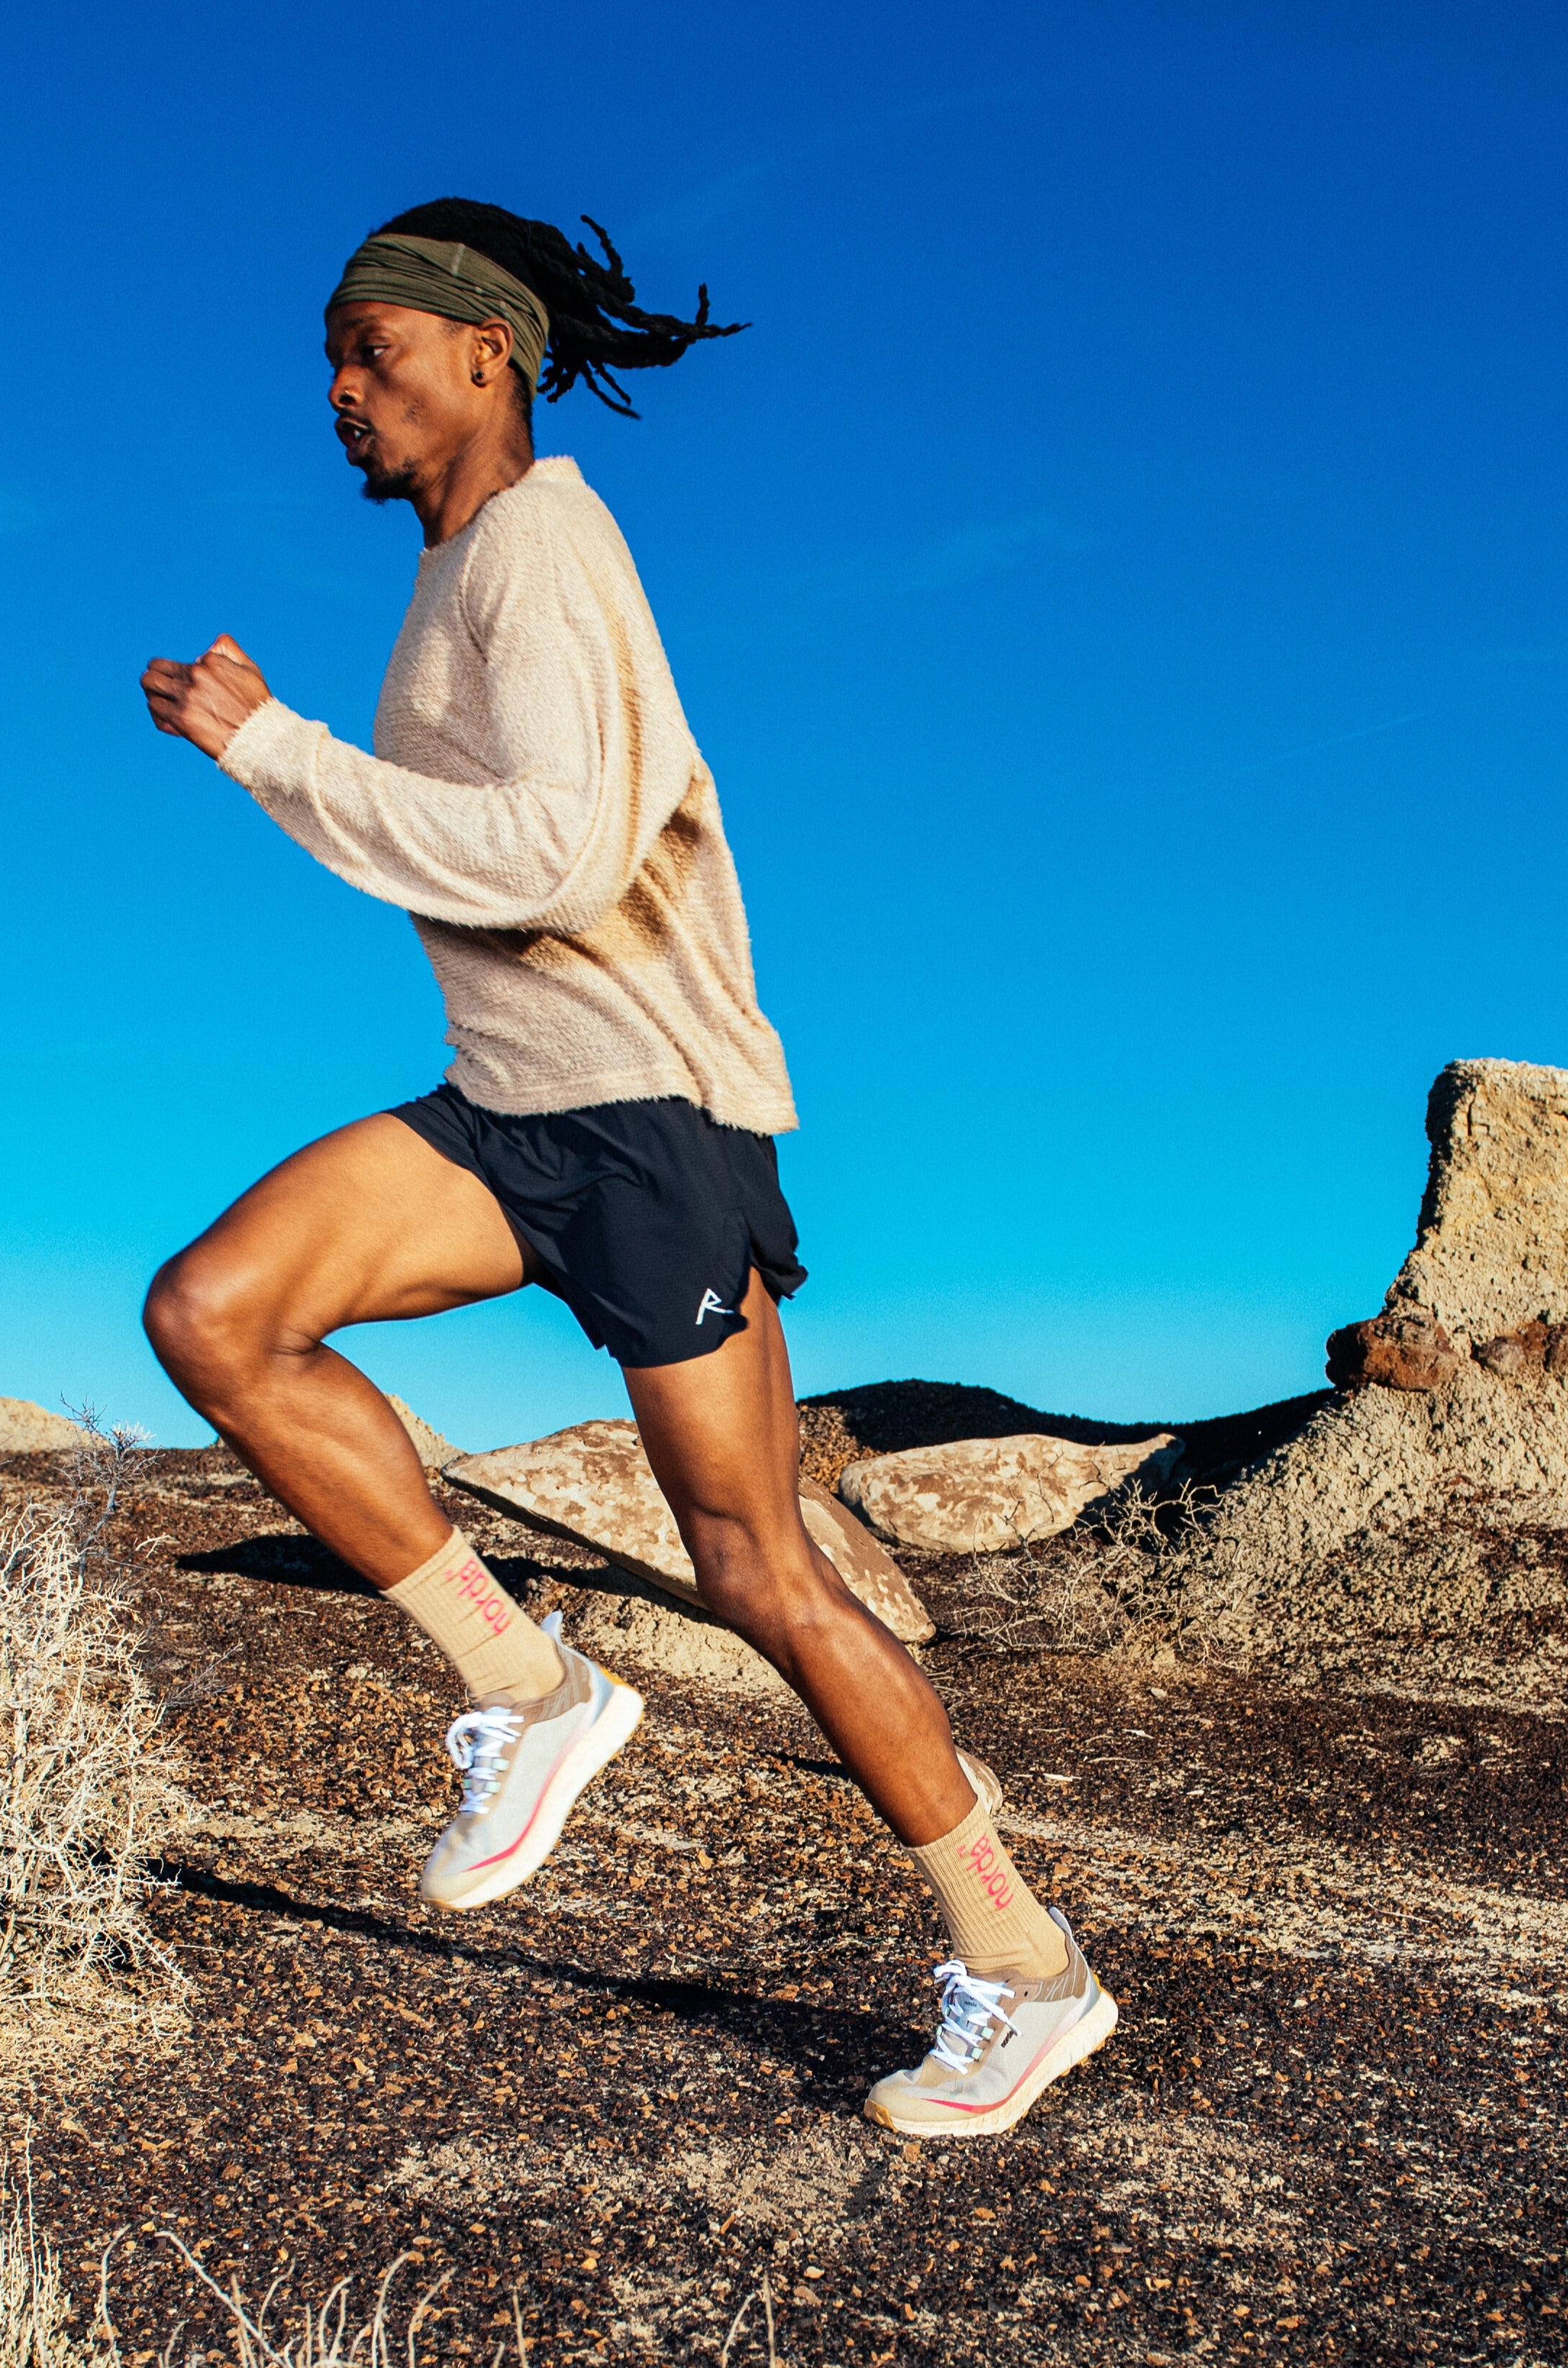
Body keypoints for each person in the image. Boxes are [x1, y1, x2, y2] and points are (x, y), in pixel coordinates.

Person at [136, 200, 1115, 2138]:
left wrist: (277, 752)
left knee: (761, 1565)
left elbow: (565, 859)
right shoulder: (450, 575)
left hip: (648, 1117)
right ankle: (529, 1687)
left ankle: (1024, 1967)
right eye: (333, 362)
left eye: (375, 351)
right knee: (219, 1315)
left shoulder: (541, 548)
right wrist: (293, 761)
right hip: (511, 1107)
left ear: (487, 351)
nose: (344, 394)